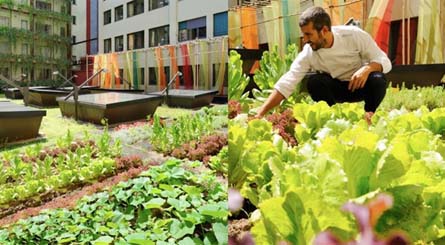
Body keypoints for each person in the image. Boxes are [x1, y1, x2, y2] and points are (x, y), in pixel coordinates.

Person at [256, 6, 391, 124]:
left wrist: (367, 68)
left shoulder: (353, 35)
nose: (305, 40)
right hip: (335, 90)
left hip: (359, 86)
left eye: (309, 34)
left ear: (324, 30)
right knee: (314, 82)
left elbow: (385, 61)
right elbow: (287, 82)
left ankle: (369, 117)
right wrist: (260, 114)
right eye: (304, 35)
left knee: (377, 79)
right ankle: (333, 119)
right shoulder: (309, 52)